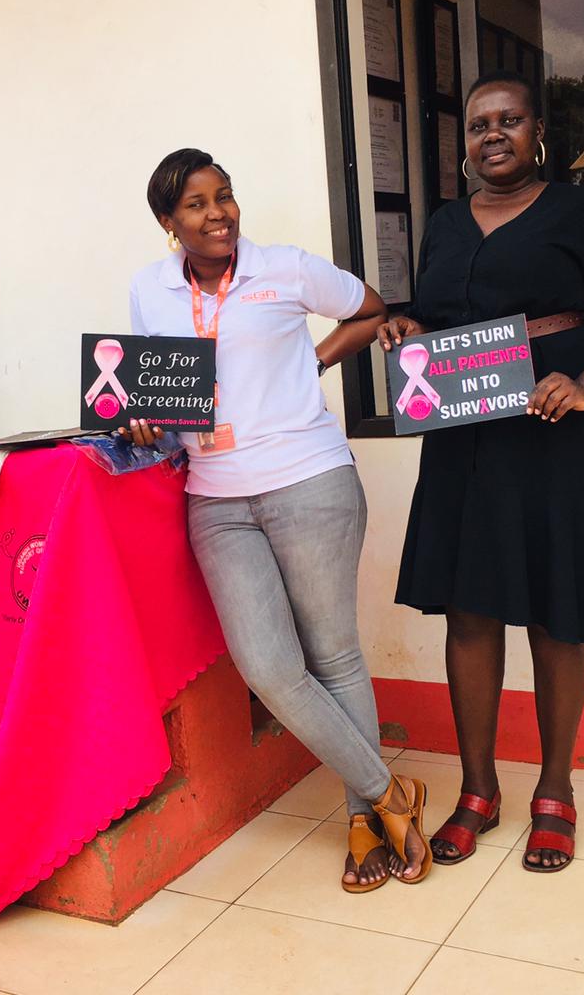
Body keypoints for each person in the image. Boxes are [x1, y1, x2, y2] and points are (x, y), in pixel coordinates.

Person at [380, 71, 584, 873]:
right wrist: (406, 324)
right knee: (470, 612)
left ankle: (554, 791)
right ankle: (479, 791)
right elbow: (435, 317)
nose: (493, 134)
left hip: (554, 437)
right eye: (478, 125)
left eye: (509, 120)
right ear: (465, 142)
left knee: (556, 610)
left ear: (538, 132)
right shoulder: (443, 223)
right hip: (467, 440)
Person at [124, 148, 432, 891]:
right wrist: (143, 418)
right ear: (169, 223)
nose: (218, 212)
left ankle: (364, 823)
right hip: (216, 499)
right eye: (196, 204)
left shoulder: (285, 268)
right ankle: (394, 795)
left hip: (308, 478)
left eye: (224, 196)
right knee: (267, 667)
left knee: (334, 657)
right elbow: (164, 389)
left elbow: (370, 309)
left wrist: (315, 362)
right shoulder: (149, 291)